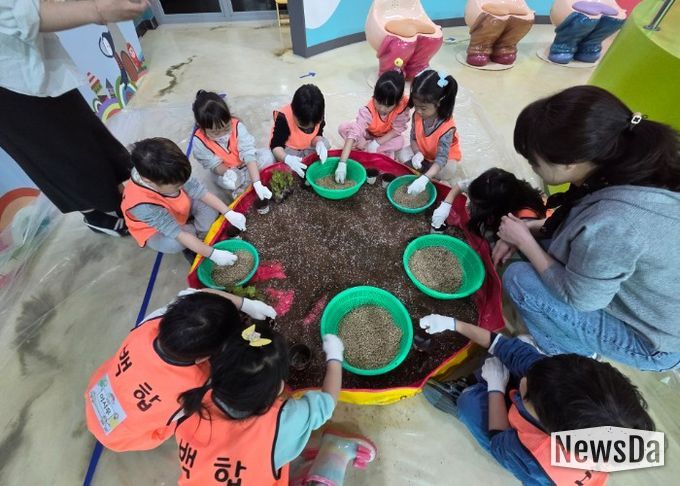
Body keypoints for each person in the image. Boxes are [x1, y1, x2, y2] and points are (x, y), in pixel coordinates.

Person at [496, 86, 680, 371]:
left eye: (534, 162)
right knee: (543, 248)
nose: (532, 167)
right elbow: (578, 227)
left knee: (519, 278)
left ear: (570, 164)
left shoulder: (616, 221)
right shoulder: (627, 163)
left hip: (654, 340)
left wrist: (524, 241)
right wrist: (527, 229)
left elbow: (579, 297)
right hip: (649, 295)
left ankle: (565, 353)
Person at [418, 313, 655, 485]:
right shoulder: (563, 382)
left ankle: (467, 393)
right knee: (517, 350)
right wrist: (453, 324)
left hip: (524, 459)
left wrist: (496, 390)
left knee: (469, 403)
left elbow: (499, 441)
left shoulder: (537, 454)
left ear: (547, 424)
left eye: (527, 394)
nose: (525, 379)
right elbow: (509, 350)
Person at [0, 0, 148, 237]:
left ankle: (121, 196)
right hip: (10, 86)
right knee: (61, 157)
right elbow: (20, 14)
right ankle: (98, 214)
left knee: (88, 138)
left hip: (34, 63)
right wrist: (97, 10)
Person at [174, 327, 375, 485]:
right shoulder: (282, 421)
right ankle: (334, 450)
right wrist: (335, 356)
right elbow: (327, 402)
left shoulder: (193, 399)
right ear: (278, 387)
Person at [85, 288, 277, 452]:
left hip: (96, 394)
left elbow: (194, 295)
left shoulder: (153, 322)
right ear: (202, 359)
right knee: (169, 422)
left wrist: (244, 304)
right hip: (122, 438)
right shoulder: (196, 384)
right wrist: (245, 307)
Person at [121, 137, 247, 264]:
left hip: (179, 207)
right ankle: (195, 243)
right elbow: (177, 233)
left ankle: (202, 237)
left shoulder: (172, 171)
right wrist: (212, 254)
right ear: (148, 181)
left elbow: (200, 192)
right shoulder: (141, 204)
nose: (182, 186)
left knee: (209, 206)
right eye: (177, 186)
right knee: (175, 243)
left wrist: (228, 212)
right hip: (156, 229)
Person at [430, 168, 546, 263]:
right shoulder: (491, 183)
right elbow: (461, 186)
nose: (471, 204)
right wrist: (445, 205)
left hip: (521, 242)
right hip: (498, 214)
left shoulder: (524, 217)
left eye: (478, 204)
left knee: (494, 247)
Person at [191, 90, 273, 200]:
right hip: (227, 170)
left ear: (229, 117)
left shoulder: (237, 126)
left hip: (246, 163)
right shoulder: (199, 142)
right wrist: (230, 174)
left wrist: (257, 182)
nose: (222, 134)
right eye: (215, 133)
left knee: (267, 156)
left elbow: (248, 154)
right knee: (221, 183)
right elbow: (214, 165)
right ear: (201, 128)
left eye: (226, 128)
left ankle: (249, 182)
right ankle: (240, 186)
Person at [334, 71, 410, 183]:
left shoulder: (402, 107)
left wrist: (377, 143)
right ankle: (374, 150)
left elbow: (397, 130)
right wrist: (342, 163)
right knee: (344, 127)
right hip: (368, 133)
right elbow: (354, 133)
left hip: (386, 136)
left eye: (388, 106)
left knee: (399, 141)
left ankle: (366, 148)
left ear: (397, 102)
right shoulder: (368, 110)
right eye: (378, 102)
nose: (382, 108)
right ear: (374, 95)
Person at [397, 69, 461, 195]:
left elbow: (442, 159)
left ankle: (428, 174)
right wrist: (417, 153)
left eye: (423, 108)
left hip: (442, 157)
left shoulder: (447, 128)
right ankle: (427, 171)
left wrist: (425, 178)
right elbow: (413, 138)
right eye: (416, 106)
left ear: (439, 103)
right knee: (402, 154)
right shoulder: (418, 115)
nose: (418, 111)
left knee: (448, 170)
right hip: (423, 151)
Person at [270, 84, 330, 177]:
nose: (308, 130)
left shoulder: (317, 114)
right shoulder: (284, 118)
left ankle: (308, 159)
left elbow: (318, 134)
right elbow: (275, 146)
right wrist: (287, 159)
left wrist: (319, 142)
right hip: (290, 149)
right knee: (285, 168)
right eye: (303, 127)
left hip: (308, 146)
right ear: (293, 113)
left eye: (312, 127)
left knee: (325, 144)